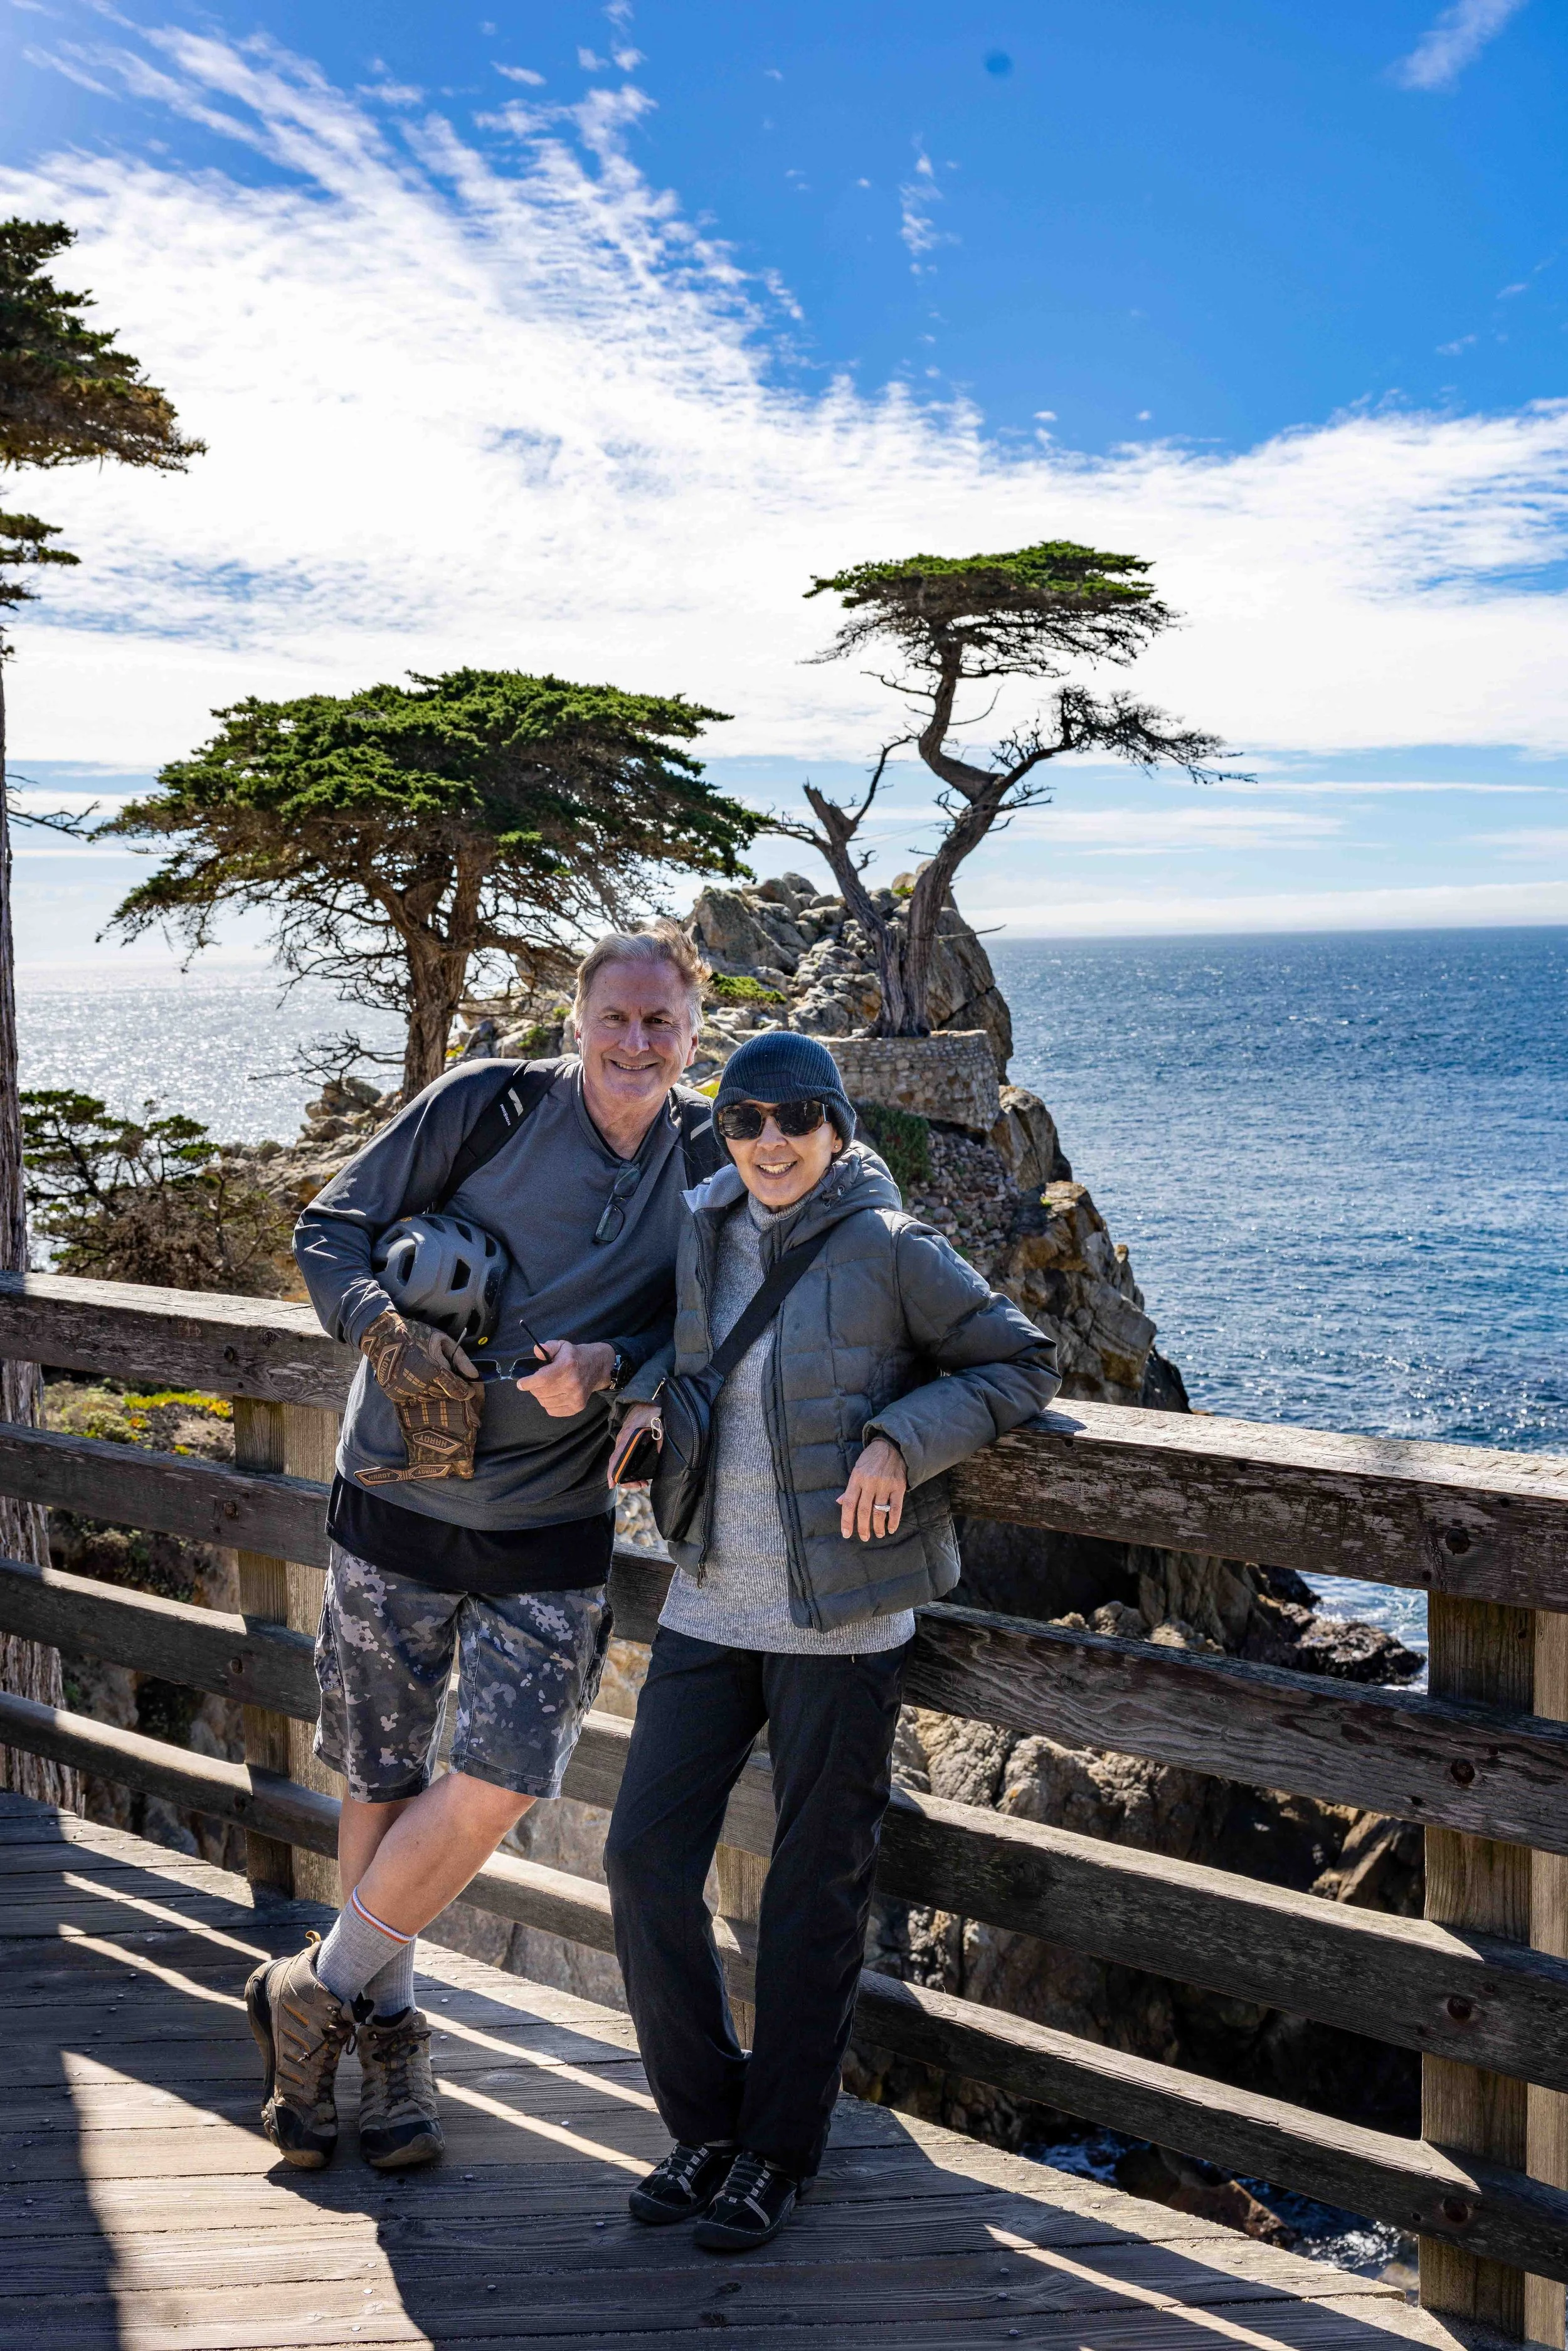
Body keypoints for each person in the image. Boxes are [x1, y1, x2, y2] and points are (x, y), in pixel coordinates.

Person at [245, 922, 718, 2172]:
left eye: (659, 1021)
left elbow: (723, 1325)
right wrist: (383, 1334)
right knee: (382, 1772)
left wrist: (615, 1362)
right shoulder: (487, 1104)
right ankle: (378, 2047)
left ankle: (311, 1986)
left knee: (507, 1774)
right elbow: (330, 1227)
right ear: (577, 1019)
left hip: (553, 1522)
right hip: (396, 1494)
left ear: (692, 1032)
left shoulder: (713, 1160)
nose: (634, 1041)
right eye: (614, 1016)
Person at [603, 1029, 1060, 2251]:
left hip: (843, 1623)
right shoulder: (700, 1228)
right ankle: (705, 2124)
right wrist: (641, 1390)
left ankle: (775, 2152)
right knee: (641, 1859)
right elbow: (681, 1345)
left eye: (795, 1117)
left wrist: (903, 1437)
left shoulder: (890, 1244)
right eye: (744, 1120)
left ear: (837, 1123)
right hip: (708, 1601)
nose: (769, 1141)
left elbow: (1022, 1360)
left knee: (812, 1894)